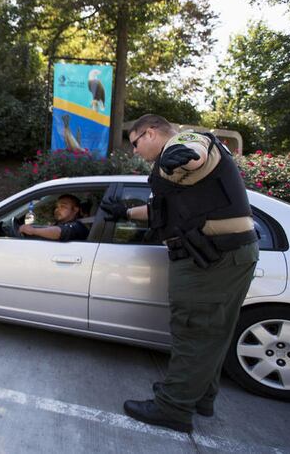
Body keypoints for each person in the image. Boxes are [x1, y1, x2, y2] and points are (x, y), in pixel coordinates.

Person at [100, 114, 258, 434]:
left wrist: (185, 154)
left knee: (193, 331)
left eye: (135, 143)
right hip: (223, 255)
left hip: (211, 258)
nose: (134, 151)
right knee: (212, 333)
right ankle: (200, 396)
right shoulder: (176, 174)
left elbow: (198, 151)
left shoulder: (182, 145)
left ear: (152, 132)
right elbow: (163, 211)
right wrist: (124, 212)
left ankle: (173, 408)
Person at [19, 194, 89, 241]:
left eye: (63, 206)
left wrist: (33, 231)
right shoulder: (59, 224)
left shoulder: (78, 227)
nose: (57, 209)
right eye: (57, 207)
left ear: (75, 210)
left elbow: (60, 232)